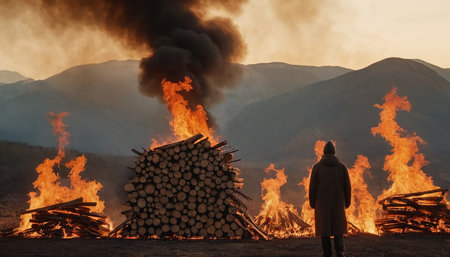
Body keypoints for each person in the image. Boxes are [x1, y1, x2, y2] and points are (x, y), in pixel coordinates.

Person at [309, 141, 351, 257]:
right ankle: (340, 251)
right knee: (338, 230)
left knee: (324, 230)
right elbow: (347, 187)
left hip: (322, 204)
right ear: (334, 153)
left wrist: (313, 203)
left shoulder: (317, 168)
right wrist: (347, 202)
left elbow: (312, 187)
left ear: (324, 153)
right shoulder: (341, 167)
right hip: (338, 203)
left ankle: (327, 253)